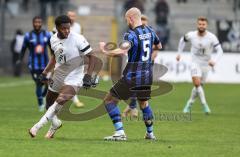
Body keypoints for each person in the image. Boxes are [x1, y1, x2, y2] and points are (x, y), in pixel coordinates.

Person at [29, 15, 96, 138]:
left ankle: (37, 127)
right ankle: (55, 124)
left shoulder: (78, 38)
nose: (67, 31)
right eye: (63, 28)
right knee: (49, 102)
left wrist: (88, 75)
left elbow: (92, 56)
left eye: (68, 28)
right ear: (57, 28)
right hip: (59, 74)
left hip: (75, 76)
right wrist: (45, 72)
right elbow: (55, 57)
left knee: (60, 101)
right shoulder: (53, 39)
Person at [100, 8, 162, 141]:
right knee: (144, 104)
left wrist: (105, 51)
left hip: (132, 76)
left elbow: (122, 50)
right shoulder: (150, 31)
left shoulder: (131, 34)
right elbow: (159, 45)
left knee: (109, 100)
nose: (126, 22)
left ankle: (120, 132)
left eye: (126, 19)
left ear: (131, 18)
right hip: (146, 75)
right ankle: (150, 133)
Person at [176, 16, 223, 114]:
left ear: (206, 25)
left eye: (203, 24)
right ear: (197, 25)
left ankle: (190, 103)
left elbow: (220, 51)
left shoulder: (211, 37)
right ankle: (204, 105)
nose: (201, 26)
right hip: (195, 62)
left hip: (206, 64)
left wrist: (214, 61)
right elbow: (182, 40)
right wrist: (179, 53)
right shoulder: (191, 35)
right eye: (200, 24)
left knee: (199, 87)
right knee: (197, 83)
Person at [20, 16, 52, 112]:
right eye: (35, 22)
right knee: (39, 83)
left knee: (47, 83)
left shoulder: (47, 35)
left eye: (39, 22)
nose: (37, 24)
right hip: (34, 65)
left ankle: (42, 96)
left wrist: (55, 59)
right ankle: (41, 104)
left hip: (45, 65)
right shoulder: (28, 36)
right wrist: (20, 59)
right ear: (33, 23)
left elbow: (52, 49)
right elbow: (23, 49)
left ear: (41, 23)